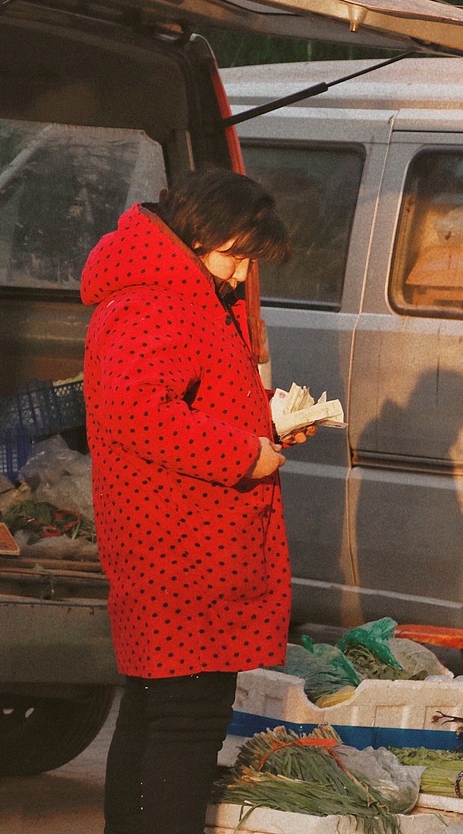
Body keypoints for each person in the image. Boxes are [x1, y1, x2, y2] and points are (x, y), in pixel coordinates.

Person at [81, 168, 307, 834]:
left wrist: (266, 424)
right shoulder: (163, 299)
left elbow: (182, 401)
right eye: (235, 255)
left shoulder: (169, 292)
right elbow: (137, 410)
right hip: (182, 550)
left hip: (174, 542)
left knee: (157, 712)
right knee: (185, 727)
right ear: (196, 235)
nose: (240, 274)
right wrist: (244, 455)